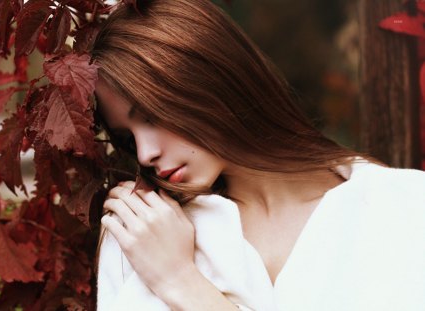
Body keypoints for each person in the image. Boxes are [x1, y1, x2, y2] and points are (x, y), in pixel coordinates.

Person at [91, 0, 425, 310]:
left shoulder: (402, 208)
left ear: (207, 78)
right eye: (128, 138)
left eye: (150, 115)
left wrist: (181, 283)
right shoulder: (138, 235)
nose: (146, 154)